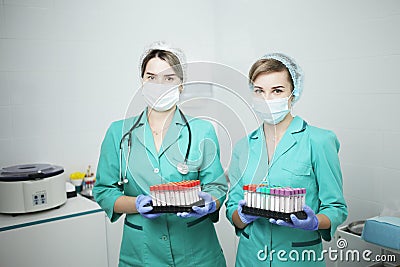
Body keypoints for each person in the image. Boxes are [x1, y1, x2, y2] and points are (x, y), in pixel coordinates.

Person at [93, 41, 227, 267]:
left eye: (169, 78)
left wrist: (210, 202)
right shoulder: (118, 133)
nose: (159, 85)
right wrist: (135, 204)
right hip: (142, 254)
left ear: (181, 84)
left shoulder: (202, 131)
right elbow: (104, 190)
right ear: (142, 81)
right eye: (151, 77)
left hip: (198, 253)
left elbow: (217, 186)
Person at [225, 53, 347, 266]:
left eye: (277, 91)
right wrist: (242, 216)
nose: (267, 99)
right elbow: (232, 207)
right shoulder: (243, 146)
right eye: (259, 91)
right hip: (250, 257)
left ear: (294, 92)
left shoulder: (319, 141)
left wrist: (314, 222)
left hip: (297, 257)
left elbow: (336, 208)